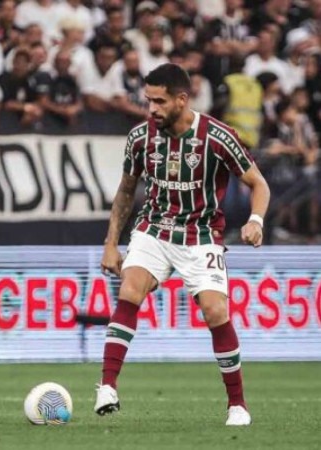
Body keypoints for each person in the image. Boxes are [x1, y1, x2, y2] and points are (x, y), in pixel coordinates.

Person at [95, 63, 270, 427]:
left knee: (215, 312)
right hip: (154, 229)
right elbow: (126, 191)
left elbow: (259, 184)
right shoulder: (140, 137)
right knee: (130, 288)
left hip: (202, 234)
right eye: (148, 101)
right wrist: (111, 243)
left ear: (181, 99)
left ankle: (237, 405)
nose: (151, 109)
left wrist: (256, 220)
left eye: (159, 101)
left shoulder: (218, 137)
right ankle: (107, 386)